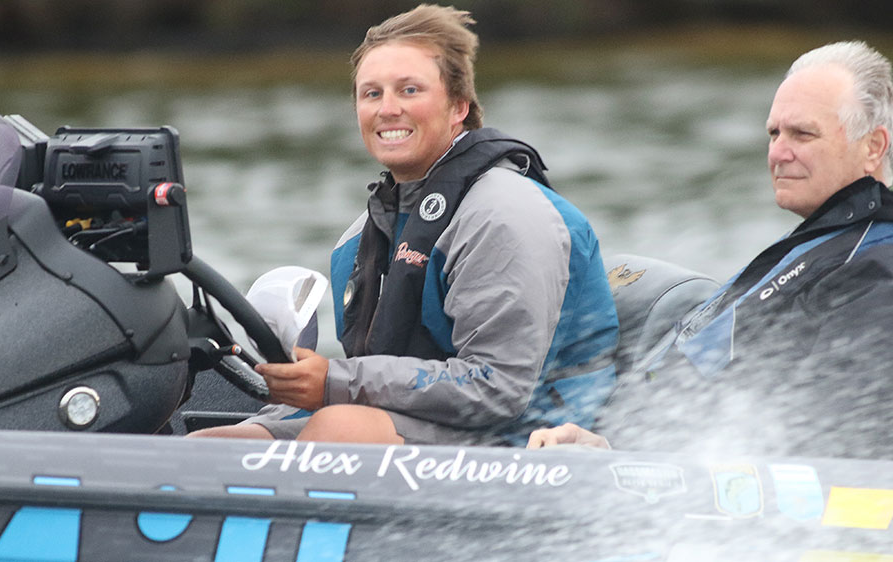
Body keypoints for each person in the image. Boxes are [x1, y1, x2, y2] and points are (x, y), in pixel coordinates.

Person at [190, 4, 618, 445]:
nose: (388, 109)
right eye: (371, 94)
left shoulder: (504, 218)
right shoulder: (357, 241)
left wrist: (335, 382)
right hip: (432, 424)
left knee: (339, 430)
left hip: (534, 434)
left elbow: (498, 388)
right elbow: (374, 382)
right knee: (212, 446)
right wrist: (291, 394)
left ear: (459, 107)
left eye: (409, 90)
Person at [528, 40, 893, 459]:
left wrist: (629, 466)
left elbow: (837, 446)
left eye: (802, 134)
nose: (778, 152)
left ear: (873, 147)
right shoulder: (821, 244)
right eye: (774, 133)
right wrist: (607, 451)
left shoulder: (876, 270)